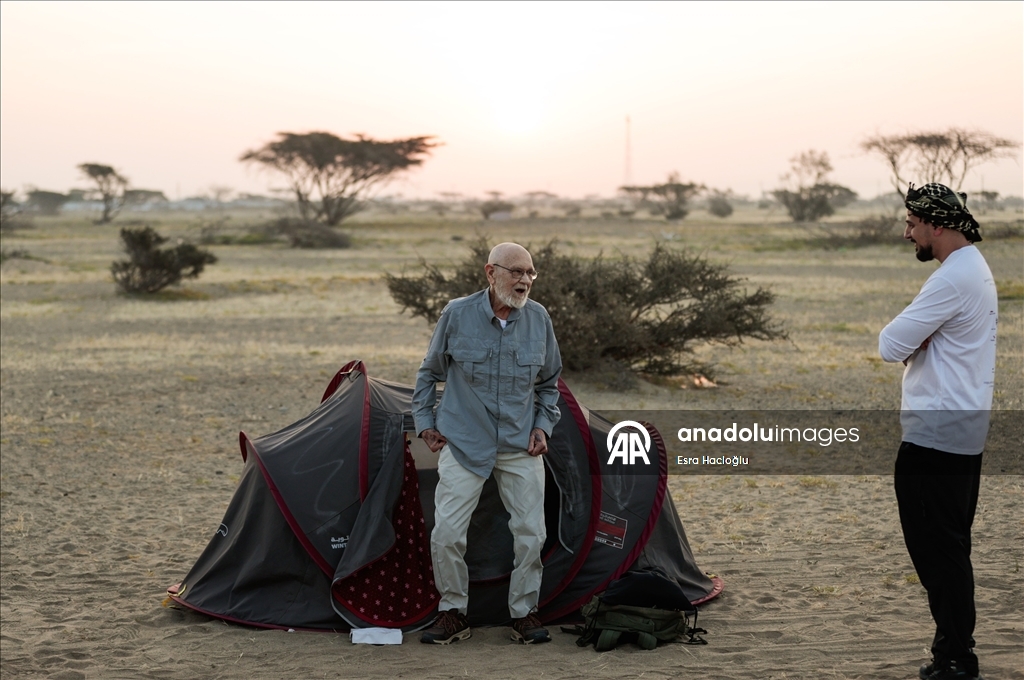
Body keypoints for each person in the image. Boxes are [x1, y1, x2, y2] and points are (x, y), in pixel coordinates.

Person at [412, 242, 562, 645]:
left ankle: (524, 614)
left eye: (531, 273)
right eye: (516, 271)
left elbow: (550, 385)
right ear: (490, 272)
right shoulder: (457, 314)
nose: (525, 280)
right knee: (446, 533)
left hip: (518, 444)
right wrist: (425, 424)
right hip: (464, 442)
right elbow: (428, 374)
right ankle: (452, 612)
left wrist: (543, 427)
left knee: (532, 532)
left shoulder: (539, 319)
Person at [878, 183, 998, 680]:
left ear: (938, 225)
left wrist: (915, 339)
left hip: (936, 439)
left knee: (939, 554)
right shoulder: (974, 269)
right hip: (959, 433)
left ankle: (955, 659)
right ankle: (953, 651)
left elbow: (889, 343)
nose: (908, 233)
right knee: (949, 549)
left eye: (912, 223)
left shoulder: (952, 278)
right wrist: (920, 338)